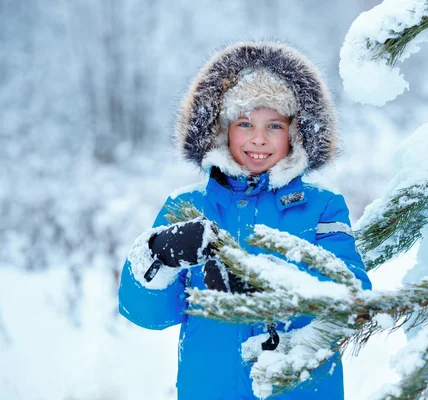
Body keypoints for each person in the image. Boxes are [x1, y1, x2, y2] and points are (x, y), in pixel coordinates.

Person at [118, 41, 371, 400]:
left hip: (301, 390)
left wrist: (266, 283)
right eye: (245, 123)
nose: (258, 139)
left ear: (296, 131)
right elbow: (147, 314)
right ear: (221, 129)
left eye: (274, 126)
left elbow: (353, 294)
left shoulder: (322, 207)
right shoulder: (187, 206)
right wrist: (160, 255)